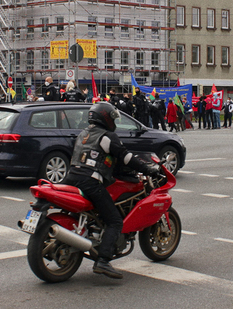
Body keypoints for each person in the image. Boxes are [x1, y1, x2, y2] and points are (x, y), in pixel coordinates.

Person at [63, 101, 162, 280]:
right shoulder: (106, 136)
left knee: (96, 213)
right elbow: (126, 157)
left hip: (71, 178)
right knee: (115, 221)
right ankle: (103, 261)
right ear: (105, 118)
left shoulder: (83, 134)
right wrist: (147, 169)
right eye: (112, 118)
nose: (114, 122)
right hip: (90, 182)